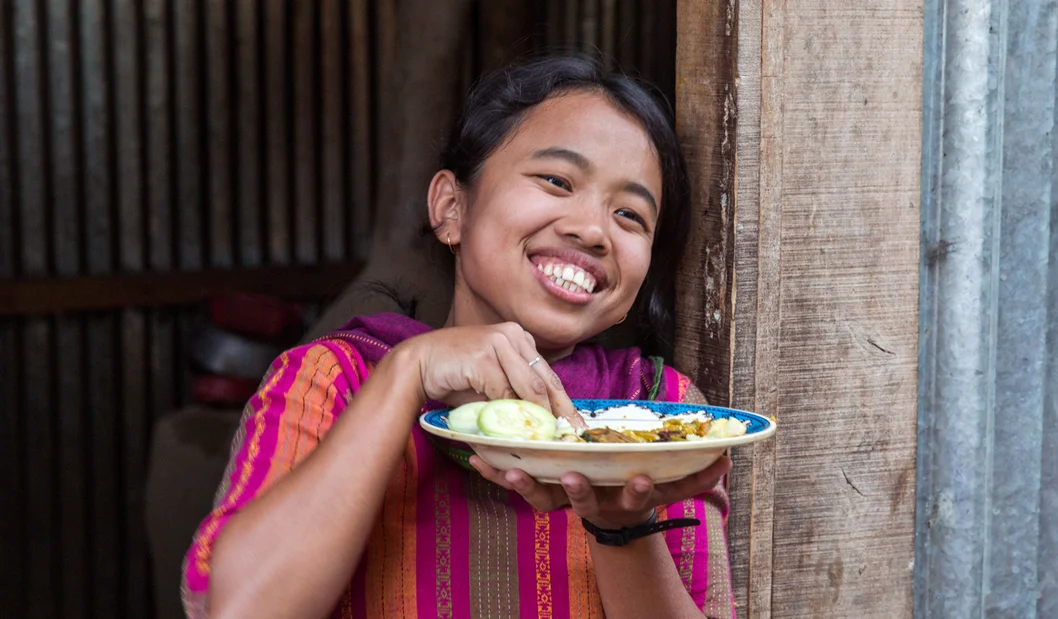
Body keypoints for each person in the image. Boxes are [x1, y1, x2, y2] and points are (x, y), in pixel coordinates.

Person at [182, 54, 735, 619]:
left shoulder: (662, 419)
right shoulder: (332, 381)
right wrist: (406, 374)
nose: (592, 230)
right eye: (556, 180)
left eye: (630, 216)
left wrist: (621, 524)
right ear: (451, 208)